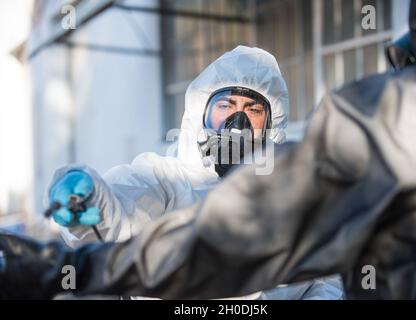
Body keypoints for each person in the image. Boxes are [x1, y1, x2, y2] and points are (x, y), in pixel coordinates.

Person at [39, 45, 343, 299]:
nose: (238, 122)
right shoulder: (167, 180)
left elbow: (326, 280)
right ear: (201, 113)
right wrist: (92, 203)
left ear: (271, 124)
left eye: (253, 110)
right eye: (226, 105)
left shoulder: (294, 198)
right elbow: (121, 215)